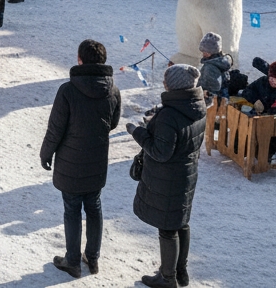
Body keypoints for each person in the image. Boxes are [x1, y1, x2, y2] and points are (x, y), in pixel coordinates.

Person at [40, 40, 122, 279]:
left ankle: (73, 261)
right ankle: (93, 258)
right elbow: (113, 123)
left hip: (70, 161)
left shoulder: (68, 90)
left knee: (72, 209)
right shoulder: (113, 90)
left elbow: (55, 129)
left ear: (80, 60)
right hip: (97, 160)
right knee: (94, 207)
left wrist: (46, 153)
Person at [128, 65, 206, 288]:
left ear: (174, 85)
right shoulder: (197, 106)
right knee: (181, 223)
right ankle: (181, 272)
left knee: (167, 228)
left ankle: (167, 278)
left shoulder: (170, 115)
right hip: (186, 174)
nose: (163, 83)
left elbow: (160, 152)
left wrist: (138, 132)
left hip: (167, 179)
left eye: (166, 80)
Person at [196, 33, 232, 101]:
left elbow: (212, 91)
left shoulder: (210, 67)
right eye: (203, 51)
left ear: (213, 51)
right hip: (222, 99)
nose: (203, 53)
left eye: (206, 51)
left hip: (213, 102)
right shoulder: (221, 62)